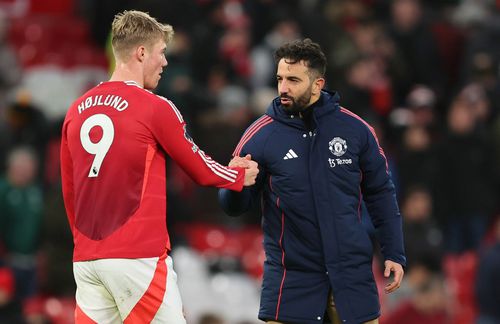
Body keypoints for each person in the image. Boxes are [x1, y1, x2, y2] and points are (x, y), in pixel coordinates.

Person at [60, 10, 258, 324]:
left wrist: (84, 244)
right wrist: (237, 174)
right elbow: (199, 168)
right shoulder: (154, 107)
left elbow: (69, 188)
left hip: (87, 260)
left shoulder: (76, 109)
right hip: (137, 257)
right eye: (161, 53)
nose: (165, 62)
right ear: (141, 53)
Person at [219, 39, 405, 324]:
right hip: (292, 283)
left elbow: (381, 193)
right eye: (280, 79)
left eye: (293, 80)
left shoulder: (356, 130)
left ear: (318, 84)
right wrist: (236, 184)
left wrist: (393, 251)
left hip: (352, 280)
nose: (283, 88)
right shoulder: (259, 135)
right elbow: (233, 206)